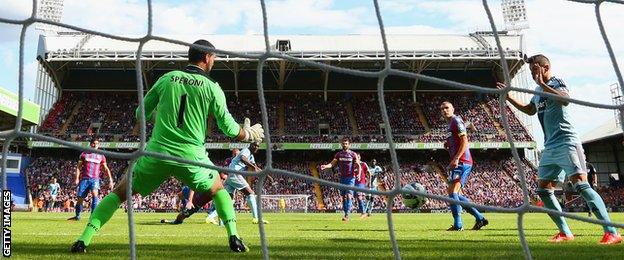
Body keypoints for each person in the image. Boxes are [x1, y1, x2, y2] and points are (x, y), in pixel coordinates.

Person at [70, 39, 265, 253]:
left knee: (120, 192)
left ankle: (83, 240)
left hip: (157, 152)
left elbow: (139, 114)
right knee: (218, 188)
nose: (214, 61)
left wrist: (162, 116)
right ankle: (234, 238)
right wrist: (248, 133)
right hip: (191, 155)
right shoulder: (212, 88)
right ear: (208, 57)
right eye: (214, 58)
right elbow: (228, 129)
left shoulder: (167, 79)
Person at [497, 54, 621, 244]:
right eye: (530, 71)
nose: (532, 75)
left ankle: (611, 232)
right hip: (550, 147)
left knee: (581, 186)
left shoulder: (556, 83)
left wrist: (543, 85)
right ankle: (565, 232)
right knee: (543, 191)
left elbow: (565, 100)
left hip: (567, 142)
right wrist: (508, 98)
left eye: (534, 70)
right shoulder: (538, 91)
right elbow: (530, 109)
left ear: (545, 67)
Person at [440, 101, 488, 231]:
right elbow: (455, 140)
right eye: (442, 109)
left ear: (453, 108)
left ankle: (458, 225)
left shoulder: (456, 121)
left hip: (462, 161)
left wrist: (456, 158)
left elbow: (465, 141)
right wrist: (448, 145)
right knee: (452, 193)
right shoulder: (449, 125)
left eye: (447, 108)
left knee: (453, 192)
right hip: (459, 161)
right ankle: (480, 218)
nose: (444, 110)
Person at [68, 138, 114, 221]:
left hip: (95, 179)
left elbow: (106, 168)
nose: (96, 145)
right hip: (85, 179)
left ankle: (93, 216)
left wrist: (110, 179)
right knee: (80, 199)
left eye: (97, 144)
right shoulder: (84, 154)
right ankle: (77, 216)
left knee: (95, 196)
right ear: (91, 144)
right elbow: (78, 167)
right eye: (94, 143)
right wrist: (77, 178)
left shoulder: (101, 156)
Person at [224, 142, 269, 224]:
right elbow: (243, 159)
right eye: (254, 145)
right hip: (235, 173)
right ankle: (256, 218)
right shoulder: (246, 151)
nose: (256, 147)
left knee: (229, 200)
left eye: (258, 146)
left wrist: (267, 175)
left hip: (231, 175)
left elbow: (255, 167)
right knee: (250, 194)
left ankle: (223, 220)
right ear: (250, 145)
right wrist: (253, 167)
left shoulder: (251, 156)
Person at [320, 137, 360, 222]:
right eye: (343, 143)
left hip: (350, 178)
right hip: (342, 178)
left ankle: (347, 214)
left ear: (349, 145)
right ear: (341, 144)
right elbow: (332, 164)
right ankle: (345, 212)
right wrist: (325, 166)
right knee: (343, 197)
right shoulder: (338, 154)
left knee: (349, 195)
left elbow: (358, 165)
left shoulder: (353, 154)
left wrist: (358, 174)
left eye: (346, 143)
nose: (344, 145)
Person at [355, 153, 369, 219]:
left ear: (360, 157)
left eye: (358, 157)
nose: (357, 158)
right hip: (353, 183)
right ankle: (363, 212)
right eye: (356, 157)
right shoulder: (353, 164)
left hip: (361, 182)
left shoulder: (363, 164)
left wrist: (369, 182)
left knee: (359, 196)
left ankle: (363, 212)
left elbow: (368, 172)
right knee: (358, 198)